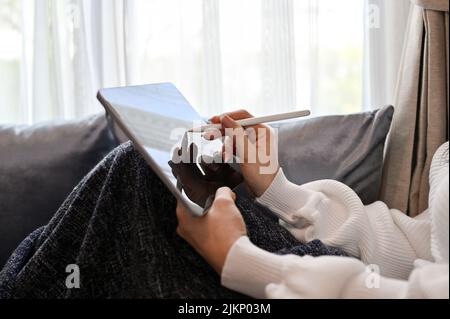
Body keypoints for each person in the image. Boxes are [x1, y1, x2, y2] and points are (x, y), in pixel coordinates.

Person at [0, 110, 448, 299]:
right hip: (328, 272)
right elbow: (405, 251)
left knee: (140, 173)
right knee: (147, 172)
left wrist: (240, 258)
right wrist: (274, 187)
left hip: (312, 283)